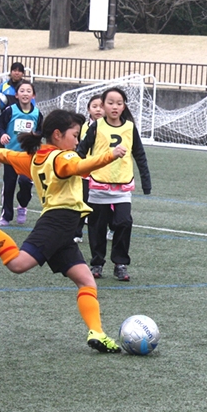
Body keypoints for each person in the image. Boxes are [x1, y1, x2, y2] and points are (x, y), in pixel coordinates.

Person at [0, 109, 128, 352]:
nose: (77, 141)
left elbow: (5, 155)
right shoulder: (63, 158)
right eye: (75, 135)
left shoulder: (35, 158)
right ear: (57, 134)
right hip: (58, 222)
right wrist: (111, 155)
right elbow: (83, 164)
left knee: (86, 281)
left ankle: (97, 332)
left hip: (62, 226)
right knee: (17, 264)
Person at [76, 87, 151, 282]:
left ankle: (120, 263)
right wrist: (72, 169)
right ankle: (97, 263)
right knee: (97, 226)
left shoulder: (129, 128)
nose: (114, 107)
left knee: (124, 222)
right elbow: (82, 150)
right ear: (103, 105)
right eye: (110, 103)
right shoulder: (96, 126)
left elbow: (139, 154)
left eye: (119, 103)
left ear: (124, 105)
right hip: (99, 184)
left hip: (122, 186)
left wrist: (146, 180)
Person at [0, 80, 43, 226]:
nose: (25, 93)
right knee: (9, 185)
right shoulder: (10, 111)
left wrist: (36, 136)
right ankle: (6, 215)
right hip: (11, 155)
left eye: (28, 91)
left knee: (25, 183)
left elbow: (41, 132)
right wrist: (2, 135)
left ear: (33, 95)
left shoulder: (37, 113)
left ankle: (23, 206)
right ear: (16, 95)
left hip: (28, 157)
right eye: (22, 91)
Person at [0, 62, 26, 185]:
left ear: (23, 73)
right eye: (14, 70)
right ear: (11, 72)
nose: (17, 72)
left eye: (19, 70)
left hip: (20, 123)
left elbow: (32, 104)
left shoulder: (25, 87)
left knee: (20, 151)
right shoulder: (3, 87)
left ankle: (23, 176)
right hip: (5, 123)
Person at [73, 95, 104, 244]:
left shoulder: (110, 128)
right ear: (88, 109)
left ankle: (109, 227)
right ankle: (77, 232)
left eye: (101, 106)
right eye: (94, 106)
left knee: (104, 205)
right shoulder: (83, 126)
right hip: (85, 171)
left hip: (104, 172)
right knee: (82, 201)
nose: (98, 109)